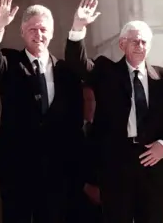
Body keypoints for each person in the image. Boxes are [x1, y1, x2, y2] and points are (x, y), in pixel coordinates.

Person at [65, 0, 163, 223]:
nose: (140, 46)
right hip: (116, 166)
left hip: (154, 166)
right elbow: (76, 63)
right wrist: (78, 27)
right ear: (122, 44)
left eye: (144, 42)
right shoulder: (105, 71)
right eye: (135, 41)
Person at [0, 0, 84, 222]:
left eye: (43, 29)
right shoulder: (9, 63)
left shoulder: (66, 72)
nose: (38, 34)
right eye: (32, 29)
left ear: (52, 32)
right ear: (21, 32)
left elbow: (74, 120)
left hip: (57, 167)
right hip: (17, 166)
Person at [66, 84, 103, 223]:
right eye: (86, 100)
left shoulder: (105, 131)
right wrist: (85, 187)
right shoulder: (68, 132)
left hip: (103, 202)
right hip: (76, 201)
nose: (90, 105)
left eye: (92, 100)